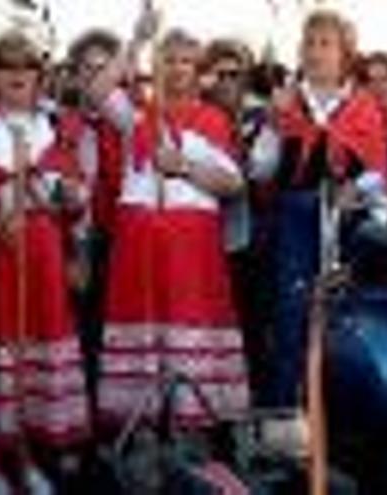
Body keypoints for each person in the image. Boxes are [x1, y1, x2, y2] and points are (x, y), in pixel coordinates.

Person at [90, 23, 250, 435]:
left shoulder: (212, 118)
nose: (178, 70)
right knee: (143, 331)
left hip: (189, 245)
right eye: (169, 60)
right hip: (139, 241)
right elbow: (97, 91)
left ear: (198, 71)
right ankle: (140, 429)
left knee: (188, 328)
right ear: (156, 66)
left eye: (186, 62)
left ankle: (190, 428)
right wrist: (138, 40)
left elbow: (232, 183)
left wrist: (183, 166)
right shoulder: (138, 113)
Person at [248, 9, 387, 452]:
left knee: (343, 315)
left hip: (346, 221)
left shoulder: (362, 105)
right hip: (296, 217)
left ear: (345, 52)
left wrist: (358, 190)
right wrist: (273, 124)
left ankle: (342, 417)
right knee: (293, 312)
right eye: (309, 43)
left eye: (325, 43)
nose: (315, 52)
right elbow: (260, 168)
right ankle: (287, 421)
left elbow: (379, 172)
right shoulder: (286, 104)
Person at [0, 32, 90, 493]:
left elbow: (77, 196)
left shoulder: (55, 127)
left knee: (43, 347)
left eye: (26, 67)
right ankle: (0, 458)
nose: (17, 75)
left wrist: (66, 197)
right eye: (6, 66)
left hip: (44, 250)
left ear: (39, 77)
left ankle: (39, 448)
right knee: (4, 352)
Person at [65, 28, 126, 415]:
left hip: (121, 237)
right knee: (79, 330)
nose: (94, 78)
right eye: (87, 70)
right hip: (79, 237)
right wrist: (76, 247)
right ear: (73, 75)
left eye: (104, 69)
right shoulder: (60, 122)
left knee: (113, 331)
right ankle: (77, 415)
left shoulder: (127, 121)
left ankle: (110, 413)